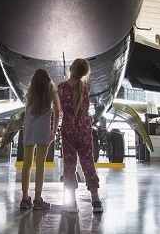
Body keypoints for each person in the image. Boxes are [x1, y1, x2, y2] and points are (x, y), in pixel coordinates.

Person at [58, 58, 102, 213]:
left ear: (71, 69)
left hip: (68, 128)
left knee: (69, 164)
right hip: (84, 128)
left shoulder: (62, 87)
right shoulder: (87, 87)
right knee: (88, 162)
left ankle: (72, 202)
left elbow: (60, 108)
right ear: (85, 72)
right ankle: (96, 200)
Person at [20, 69, 61, 210]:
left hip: (30, 128)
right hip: (43, 129)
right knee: (40, 164)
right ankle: (38, 200)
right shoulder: (52, 92)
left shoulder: (30, 92)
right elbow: (57, 113)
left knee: (27, 163)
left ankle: (25, 198)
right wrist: (54, 131)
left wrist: (25, 130)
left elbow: (26, 114)